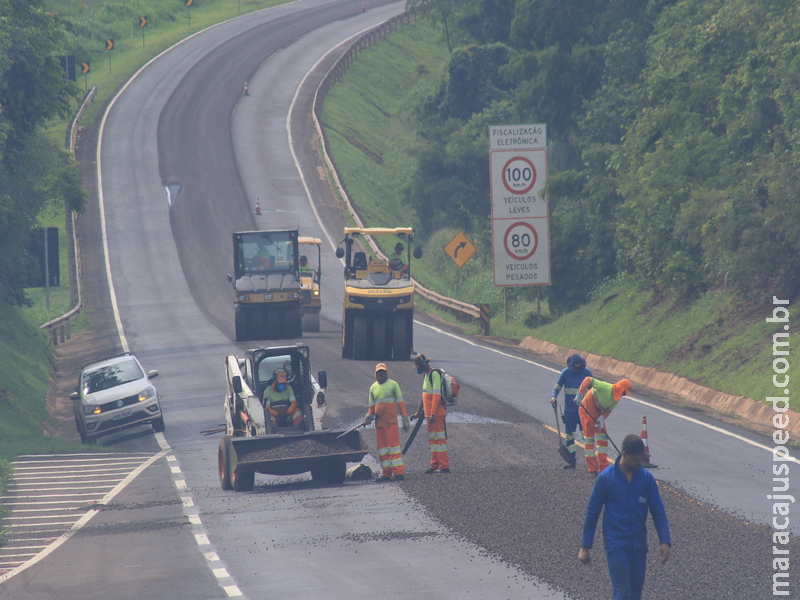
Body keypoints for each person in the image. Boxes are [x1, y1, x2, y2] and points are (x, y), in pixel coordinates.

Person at [579, 434, 671, 600]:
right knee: (623, 593)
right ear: (624, 454)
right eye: (636, 458)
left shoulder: (646, 479)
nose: (639, 462)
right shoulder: (606, 479)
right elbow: (592, 512)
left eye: (641, 458)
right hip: (616, 545)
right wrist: (585, 547)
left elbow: (658, 512)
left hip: (639, 546)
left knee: (635, 594)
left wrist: (664, 541)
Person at [575, 376, 632, 476]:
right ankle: (592, 468)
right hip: (586, 410)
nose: (623, 395)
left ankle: (603, 468)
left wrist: (601, 419)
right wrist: (580, 394)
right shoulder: (606, 387)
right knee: (589, 440)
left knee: (602, 439)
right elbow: (588, 379)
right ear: (620, 388)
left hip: (597, 413)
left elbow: (608, 411)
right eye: (624, 392)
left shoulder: (616, 400)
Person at [364, 363, 410, 482]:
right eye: (379, 372)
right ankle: (386, 473)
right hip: (379, 425)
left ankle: (398, 473)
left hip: (391, 423)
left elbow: (401, 403)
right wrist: (368, 416)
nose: (381, 374)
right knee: (382, 450)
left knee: (393, 449)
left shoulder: (393, 385)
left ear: (386, 373)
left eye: (383, 372)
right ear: (376, 374)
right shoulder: (373, 388)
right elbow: (371, 407)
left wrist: (405, 418)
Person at [550, 354, 592, 469]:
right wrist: (553, 397)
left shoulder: (587, 373)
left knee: (586, 437)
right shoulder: (565, 373)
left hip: (584, 411)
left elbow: (593, 391)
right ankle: (571, 461)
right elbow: (557, 387)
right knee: (569, 437)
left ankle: (592, 464)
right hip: (570, 412)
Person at [411, 353, 449, 474]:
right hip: (428, 415)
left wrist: (433, 413)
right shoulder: (426, 375)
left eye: (419, 367)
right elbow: (424, 396)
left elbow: (436, 395)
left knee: (440, 440)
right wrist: (418, 412)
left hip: (436, 414)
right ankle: (434, 464)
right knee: (432, 440)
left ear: (424, 364)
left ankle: (444, 466)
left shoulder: (434, 374)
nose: (418, 370)